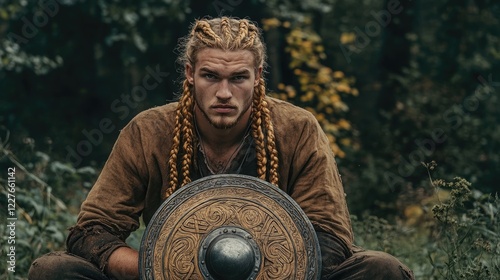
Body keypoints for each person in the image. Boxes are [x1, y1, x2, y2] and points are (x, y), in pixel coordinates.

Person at [28, 16, 415, 280]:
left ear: (258, 77)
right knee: (53, 270)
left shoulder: (297, 129)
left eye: (238, 78)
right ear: (190, 75)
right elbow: (91, 232)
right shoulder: (148, 131)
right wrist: (165, 268)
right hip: (169, 276)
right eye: (210, 76)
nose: (224, 93)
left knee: (381, 268)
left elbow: (330, 237)